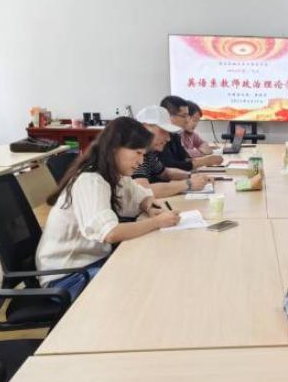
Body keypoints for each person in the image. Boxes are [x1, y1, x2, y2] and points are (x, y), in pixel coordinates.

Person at [35, 117, 181, 300]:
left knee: (149, 270)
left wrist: (149, 206)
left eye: (143, 154)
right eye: (137, 152)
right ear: (114, 148)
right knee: (143, 284)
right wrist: (157, 222)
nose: (140, 161)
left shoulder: (113, 174)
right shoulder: (90, 180)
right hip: (66, 276)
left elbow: (141, 195)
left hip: (90, 262)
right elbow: (110, 233)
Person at [132, 106, 210, 198]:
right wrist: (188, 184)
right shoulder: (133, 151)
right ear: (145, 127)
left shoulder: (149, 151)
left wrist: (191, 176)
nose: (168, 138)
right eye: (163, 131)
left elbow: (165, 173)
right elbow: (144, 190)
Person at [158, 96, 223, 170]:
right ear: (169, 116)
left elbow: (184, 159)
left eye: (188, 116)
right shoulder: (158, 138)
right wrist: (204, 161)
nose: (187, 120)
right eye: (184, 116)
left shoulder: (175, 135)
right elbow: (170, 167)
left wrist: (206, 160)